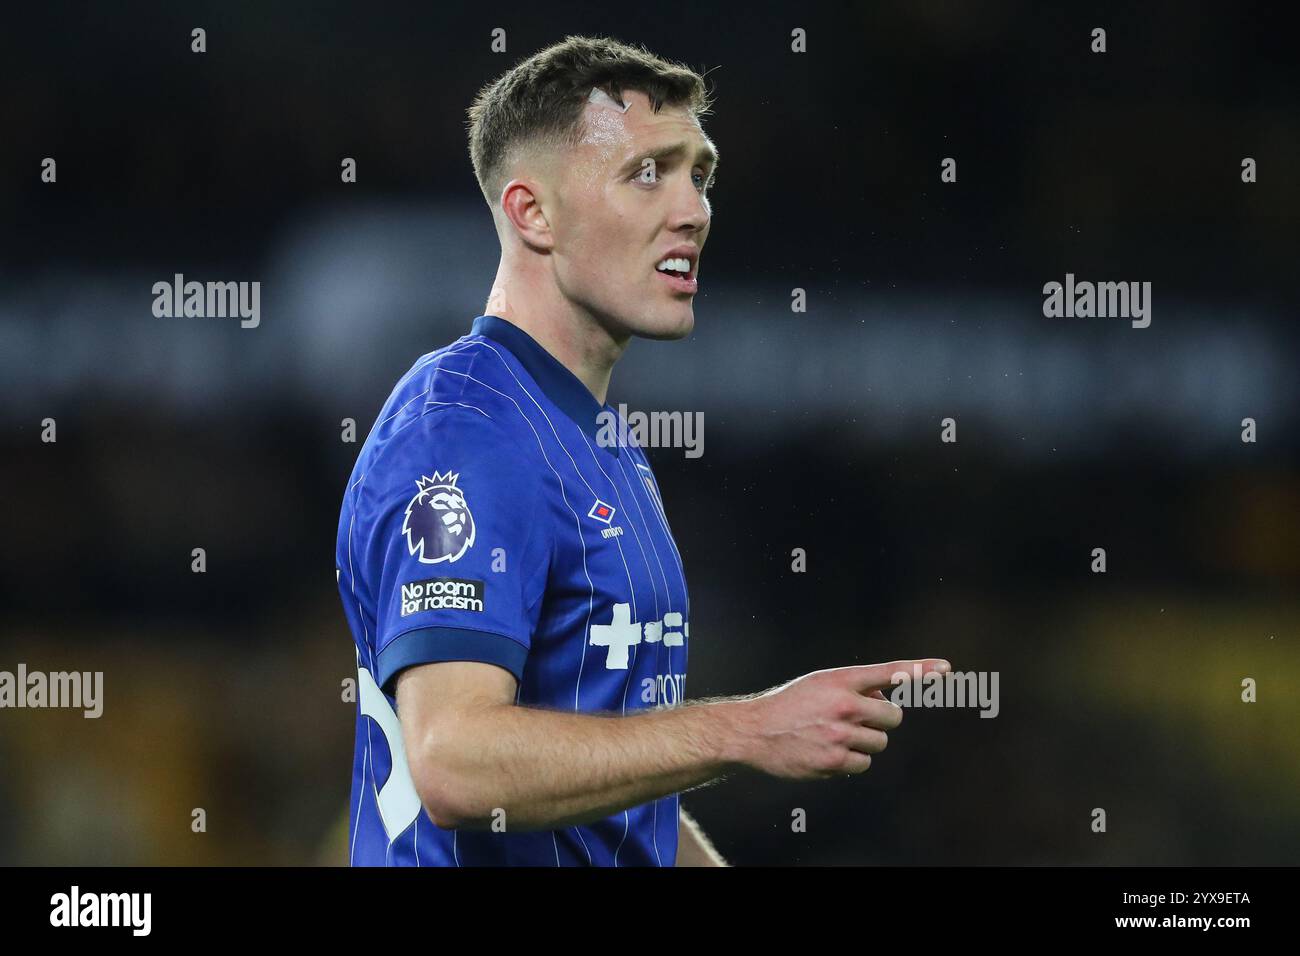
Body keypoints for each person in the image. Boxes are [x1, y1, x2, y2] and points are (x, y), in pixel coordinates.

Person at [336, 34, 949, 866]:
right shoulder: (466, 431)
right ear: (532, 213)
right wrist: (748, 727)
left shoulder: (602, 441)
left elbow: (608, 797)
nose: (694, 209)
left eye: (700, 172)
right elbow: (453, 760)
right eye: (648, 172)